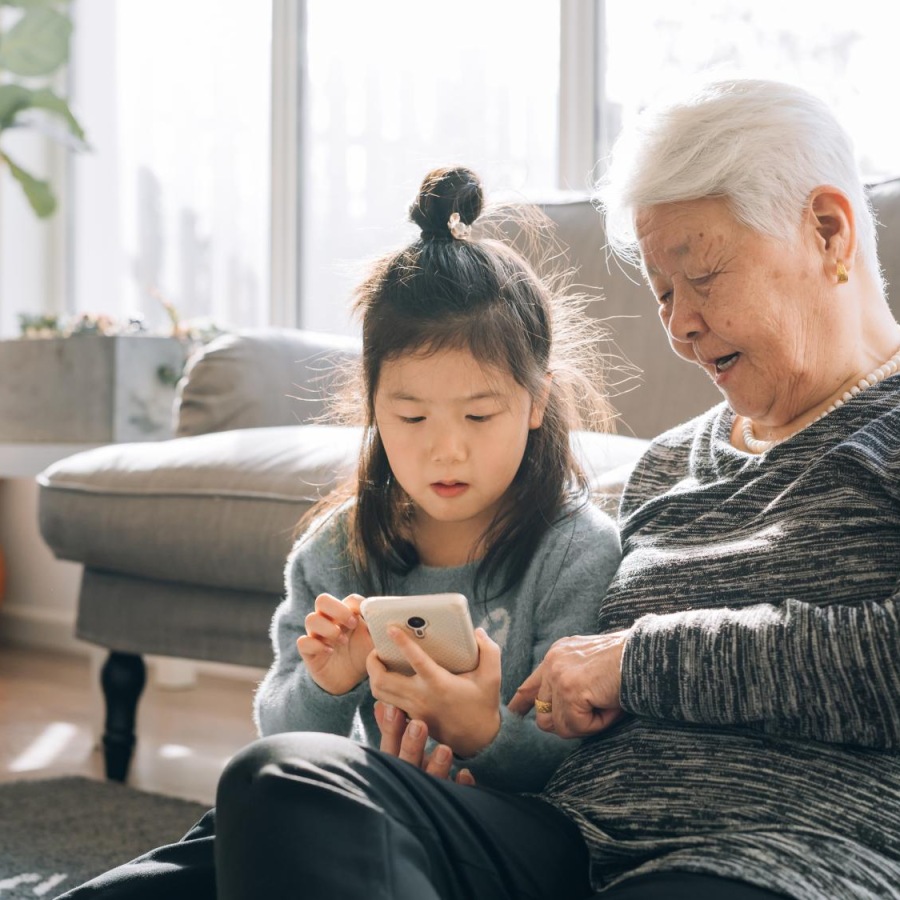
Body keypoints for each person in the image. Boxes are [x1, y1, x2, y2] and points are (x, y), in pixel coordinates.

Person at [209, 79, 900, 900]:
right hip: (558, 841)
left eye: (704, 276)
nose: (681, 327)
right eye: (664, 292)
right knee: (280, 779)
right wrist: (465, 759)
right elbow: (560, 722)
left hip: (777, 855)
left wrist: (638, 661)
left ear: (828, 231)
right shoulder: (666, 464)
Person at [56, 166, 622, 899]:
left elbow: (583, 763)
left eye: (479, 416)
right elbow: (281, 734)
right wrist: (328, 682)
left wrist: (480, 731)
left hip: (511, 846)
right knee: (230, 824)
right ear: (374, 405)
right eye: (410, 417)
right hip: (364, 814)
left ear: (536, 402)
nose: (445, 450)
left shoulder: (576, 550)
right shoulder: (340, 548)